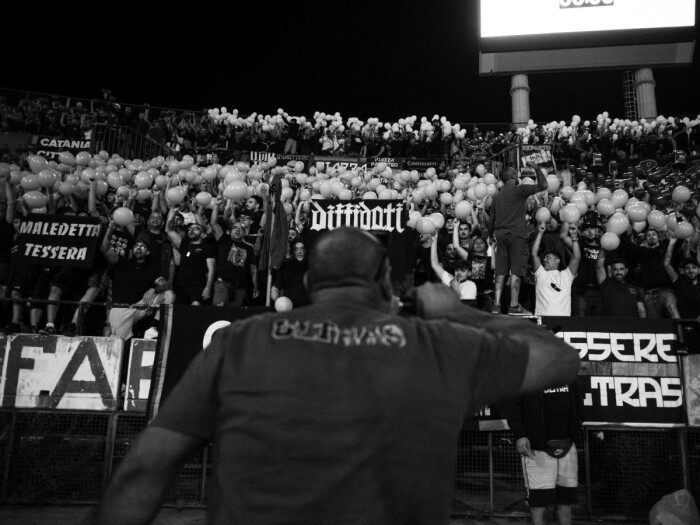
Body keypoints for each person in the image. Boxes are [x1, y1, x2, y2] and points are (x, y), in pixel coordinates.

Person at [93, 226, 580, 525]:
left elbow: (144, 469)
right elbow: (558, 359)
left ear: (307, 283)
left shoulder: (241, 342)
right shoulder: (437, 344)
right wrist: (459, 313)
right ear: (386, 282)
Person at [501, 382, 582, 525]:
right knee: (538, 502)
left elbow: (576, 402)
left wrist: (576, 433)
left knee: (566, 501)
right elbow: (512, 406)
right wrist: (520, 435)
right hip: (537, 448)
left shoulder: (567, 374)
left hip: (568, 446)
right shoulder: (528, 374)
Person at [488, 163, 548, 315]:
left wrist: (490, 236)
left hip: (500, 236)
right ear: (514, 176)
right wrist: (536, 168)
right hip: (516, 236)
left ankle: (496, 305)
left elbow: (491, 220)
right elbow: (544, 185)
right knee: (516, 270)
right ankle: (514, 306)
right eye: (516, 173)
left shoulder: (497, 197)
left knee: (500, 271)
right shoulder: (520, 189)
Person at [530, 221, 581, 316]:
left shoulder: (566, 275)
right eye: (545, 258)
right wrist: (540, 233)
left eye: (548, 258)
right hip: (542, 318)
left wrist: (574, 236)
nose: (544, 260)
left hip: (563, 319)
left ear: (557, 260)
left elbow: (577, 257)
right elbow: (534, 254)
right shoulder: (541, 273)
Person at [596, 250, 646, 318]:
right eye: (615, 269)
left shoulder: (634, 288)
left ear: (626, 270)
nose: (618, 272)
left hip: (631, 325)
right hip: (610, 325)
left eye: (621, 269)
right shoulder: (606, 284)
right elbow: (599, 267)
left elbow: (641, 309)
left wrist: (643, 326)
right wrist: (603, 247)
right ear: (611, 271)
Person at [663, 232, 700, 320]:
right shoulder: (679, 282)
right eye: (687, 268)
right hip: (684, 325)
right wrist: (672, 243)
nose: (691, 270)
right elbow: (666, 264)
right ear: (683, 271)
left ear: (699, 270)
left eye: (694, 267)